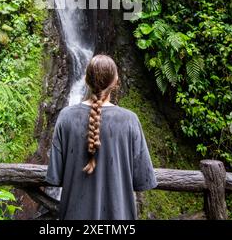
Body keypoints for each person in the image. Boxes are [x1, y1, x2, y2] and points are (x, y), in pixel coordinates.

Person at [45, 54, 158, 220]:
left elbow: (55, 176)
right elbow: (143, 179)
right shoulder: (129, 120)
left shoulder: (66, 117)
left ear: (86, 79)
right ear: (116, 81)